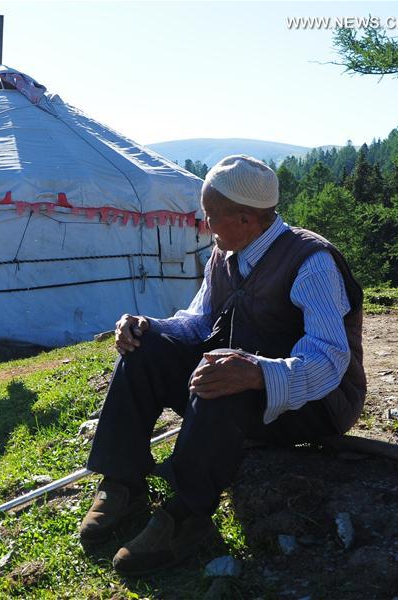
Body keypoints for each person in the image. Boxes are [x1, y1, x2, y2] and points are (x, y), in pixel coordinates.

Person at [79, 155, 365, 575]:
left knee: (223, 380)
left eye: (211, 216)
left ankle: (185, 514)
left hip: (317, 403)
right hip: (251, 387)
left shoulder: (311, 262)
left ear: (247, 219)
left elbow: (328, 361)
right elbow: (198, 321)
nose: (204, 224)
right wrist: (148, 327)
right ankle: (124, 481)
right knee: (146, 346)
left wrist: (256, 372)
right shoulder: (227, 252)